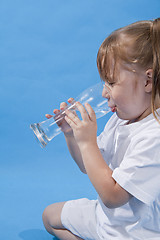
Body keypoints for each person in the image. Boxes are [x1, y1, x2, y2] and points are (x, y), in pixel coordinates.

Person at [42, 18, 160, 240]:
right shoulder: (123, 117)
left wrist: (88, 142)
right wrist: (71, 135)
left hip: (138, 232)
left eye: (112, 83)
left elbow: (112, 196)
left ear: (148, 81)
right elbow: (89, 167)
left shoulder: (155, 136)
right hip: (108, 219)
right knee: (49, 216)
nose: (104, 93)